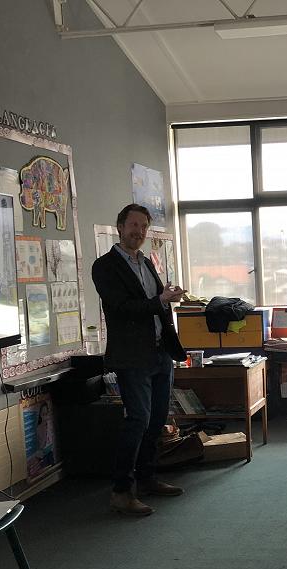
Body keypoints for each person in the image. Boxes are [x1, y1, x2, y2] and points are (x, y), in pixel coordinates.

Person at [92, 203, 187, 516]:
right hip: (133, 357)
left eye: (144, 226)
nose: (139, 231)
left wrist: (167, 298)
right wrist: (159, 300)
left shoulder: (146, 263)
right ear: (120, 227)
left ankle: (147, 479)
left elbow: (154, 305)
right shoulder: (105, 266)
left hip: (160, 352)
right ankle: (121, 491)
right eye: (133, 225)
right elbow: (122, 309)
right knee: (138, 420)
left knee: (157, 419)